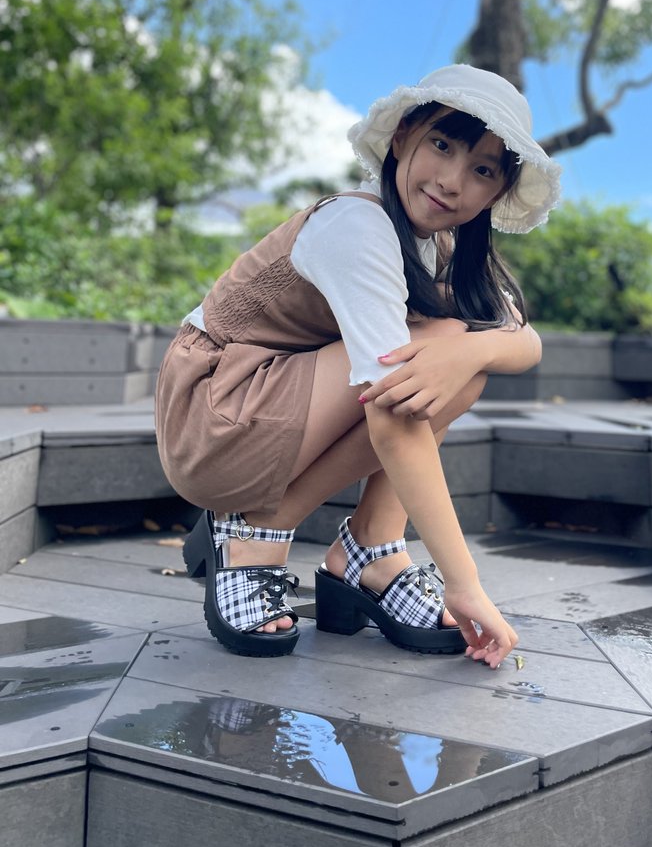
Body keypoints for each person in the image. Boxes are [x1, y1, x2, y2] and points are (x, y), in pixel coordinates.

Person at [154, 65, 561, 669]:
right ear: (403, 137)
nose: (452, 181)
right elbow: (393, 419)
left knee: (456, 355)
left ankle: (372, 545)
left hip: (273, 406)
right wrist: (465, 583)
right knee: (428, 350)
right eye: (441, 145)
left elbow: (524, 339)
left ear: (497, 192)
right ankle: (254, 537)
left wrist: (471, 349)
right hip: (213, 416)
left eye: (482, 170)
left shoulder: (438, 246)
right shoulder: (358, 225)